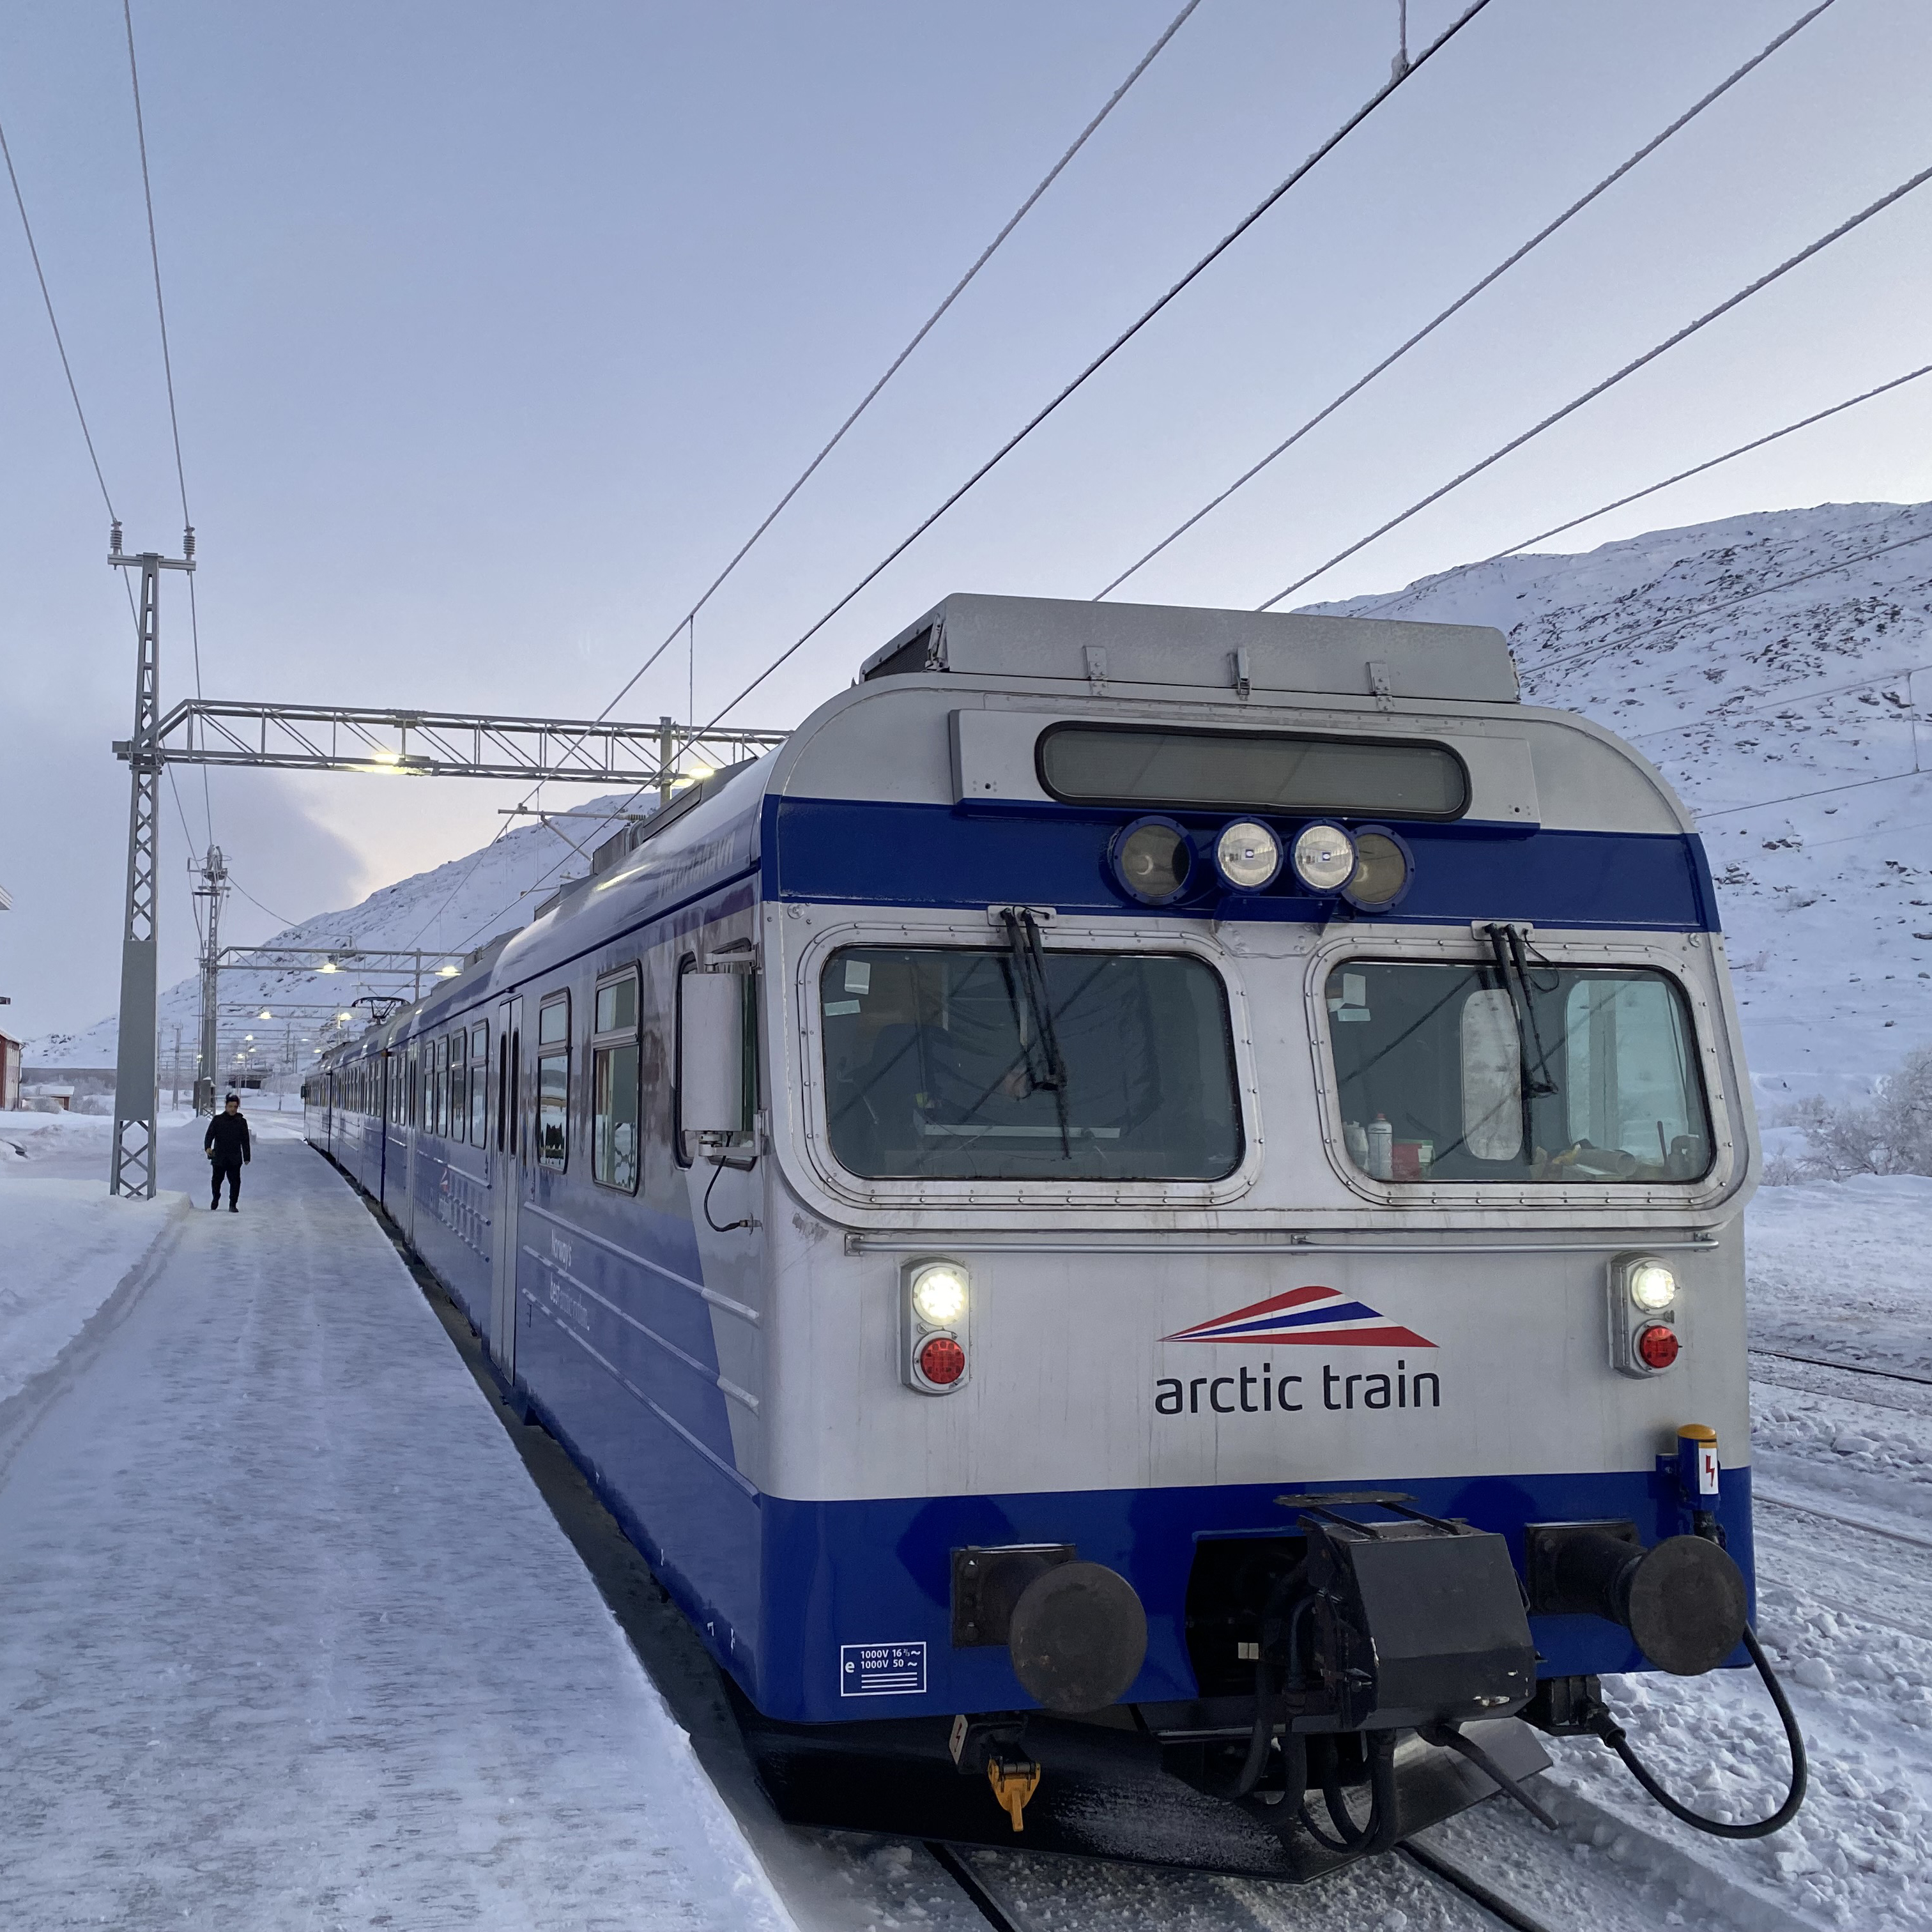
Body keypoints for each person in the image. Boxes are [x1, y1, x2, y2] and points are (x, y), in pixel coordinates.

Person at [204, 1092, 251, 1212]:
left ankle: (233, 1204)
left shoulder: (241, 1122)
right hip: (219, 1157)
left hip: (234, 1158)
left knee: (235, 1183)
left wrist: (247, 1156)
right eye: (230, 1106)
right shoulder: (218, 1120)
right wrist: (208, 1147)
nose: (233, 1109)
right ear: (226, 1106)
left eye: (235, 1107)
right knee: (216, 1181)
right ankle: (216, 1197)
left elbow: (245, 1140)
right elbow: (209, 1135)